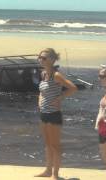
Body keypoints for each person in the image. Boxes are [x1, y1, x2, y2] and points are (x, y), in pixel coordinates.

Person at [35, 48, 77, 180]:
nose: (41, 60)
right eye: (40, 57)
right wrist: (40, 101)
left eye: (44, 58)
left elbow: (73, 88)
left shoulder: (56, 75)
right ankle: (48, 170)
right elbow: (42, 91)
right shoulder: (43, 74)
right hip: (44, 113)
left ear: (53, 60)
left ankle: (55, 174)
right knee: (47, 144)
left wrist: (60, 98)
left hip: (54, 114)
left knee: (55, 145)